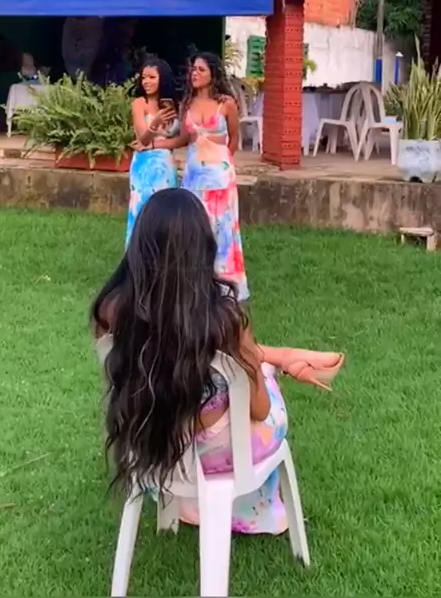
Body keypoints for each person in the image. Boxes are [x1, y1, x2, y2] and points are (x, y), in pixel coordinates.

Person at [92, 188, 344, 535]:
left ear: (139, 246)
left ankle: (282, 357)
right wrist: (263, 373)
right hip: (215, 456)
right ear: (202, 248)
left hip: (147, 441)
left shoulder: (110, 311)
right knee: (260, 392)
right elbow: (259, 410)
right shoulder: (224, 318)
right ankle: (252, 512)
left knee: (245, 372)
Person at [181, 52, 248, 300]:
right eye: (193, 69)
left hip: (219, 178)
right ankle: (194, 283)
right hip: (192, 177)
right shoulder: (187, 103)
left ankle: (224, 285)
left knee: (223, 230)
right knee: (194, 228)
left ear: (213, 74)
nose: (195, 73)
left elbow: (234, 140)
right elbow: (184, 139)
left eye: (201, 69)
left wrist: (221, 163)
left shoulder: (226, 103)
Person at [126, 58, 183, 246]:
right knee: (142, 209)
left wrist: (157, 144)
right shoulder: (139, 103)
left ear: (162, 79)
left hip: (165, 165)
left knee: (165, 213)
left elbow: (182, 139)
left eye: (152, 77)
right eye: (144, 77)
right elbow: (142, 138)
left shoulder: (174, 105)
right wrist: (156, 122)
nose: (146, 82)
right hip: (145, 166)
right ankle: (138, 254)